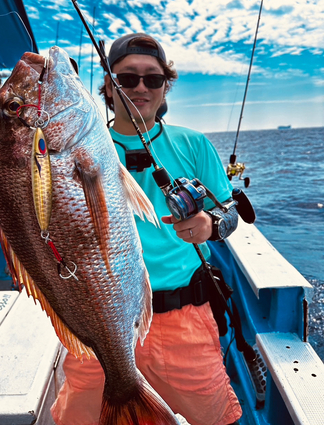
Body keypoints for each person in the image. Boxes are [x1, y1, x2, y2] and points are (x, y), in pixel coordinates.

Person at [51, 33, 242, 425]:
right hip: (96, 316)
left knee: (214, 416)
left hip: (182, 316)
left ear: (165, 85)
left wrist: (211, 224)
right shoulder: (76, 144)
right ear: (108, 84)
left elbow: (230, 210)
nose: (140, 87)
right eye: (127, 78)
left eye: (152, 79)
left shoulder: (193, 144)